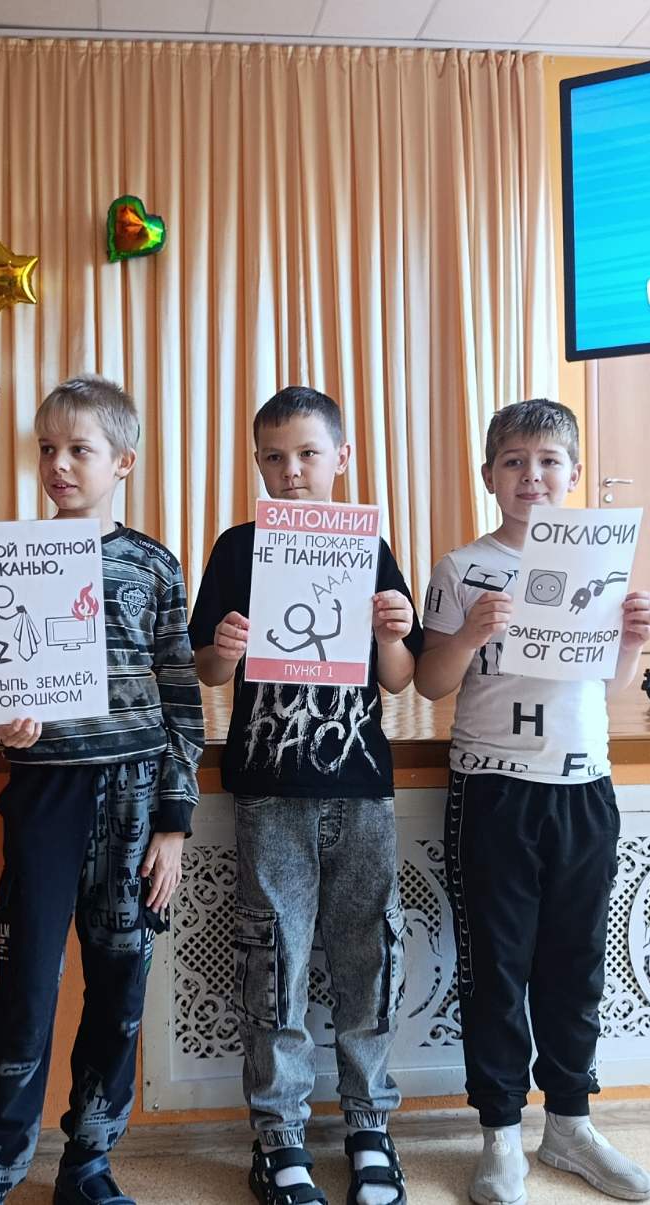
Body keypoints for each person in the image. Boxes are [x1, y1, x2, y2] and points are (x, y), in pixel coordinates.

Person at [0, 376, 205, 1205]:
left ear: (122, 461)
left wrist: (173, 822)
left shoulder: (154, 563)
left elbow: (181, 696)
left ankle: (89, 1159)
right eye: (47, 449)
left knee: (120, 985)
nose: (59, 464)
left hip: (136, 800)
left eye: (79, 449)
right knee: (25, 986)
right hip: (45, 797)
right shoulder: (8, 556)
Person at [413, 399, 650, 1205]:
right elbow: (430, 682)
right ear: (489, 475)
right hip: (493, 788)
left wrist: (630, 640)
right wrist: (469, 634)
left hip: (584, 785)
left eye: (549, 460)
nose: (533, 475)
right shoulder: (461, 566)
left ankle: (571, 1123)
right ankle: (498, 1132)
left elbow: (607, 684)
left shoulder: (600, 560)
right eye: (515, 461)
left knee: (575, 962)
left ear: (574, 473)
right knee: (496, 965)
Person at [188, 386, 422, 1205]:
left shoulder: (368, 544)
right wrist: (224, 648)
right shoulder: (237, 547)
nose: (292, 470)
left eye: (308, 454)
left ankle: (369, 1125)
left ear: (341, 458)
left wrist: (392, 632)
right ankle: (278, 1135)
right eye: (275, 456)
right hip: (269, 790)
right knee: (275, 963)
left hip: (360, 787)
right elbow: (207, 668)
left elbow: (402, 677)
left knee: (368, 958)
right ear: (258, 463)